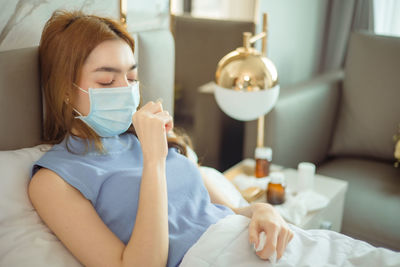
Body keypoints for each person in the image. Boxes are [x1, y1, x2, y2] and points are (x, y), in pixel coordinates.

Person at [28, 10, 293, 267]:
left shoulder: (150, 136)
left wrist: (261, 210)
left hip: (252, 242)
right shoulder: (53, 181)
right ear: (64, 90)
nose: (126, 90)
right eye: (107, 81)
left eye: (131, 77)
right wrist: (153, 160)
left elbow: (221, 211)